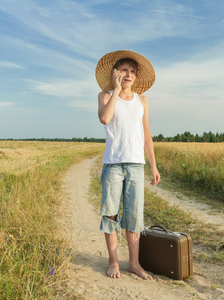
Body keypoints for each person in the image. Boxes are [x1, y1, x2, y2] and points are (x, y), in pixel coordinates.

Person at [95, 50, 160, 280]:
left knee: (134, 216)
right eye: (124, 69)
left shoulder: (142, 100)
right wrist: (116, 90)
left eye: (132, 71)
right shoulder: (105, 95)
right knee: (111, 215)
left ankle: (134, 264)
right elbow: (105, 118)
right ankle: (113, 261)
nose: (128, 74)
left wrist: (153, 166)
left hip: (135, 166)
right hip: (113, 165)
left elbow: (147, 135)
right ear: (115, 73)